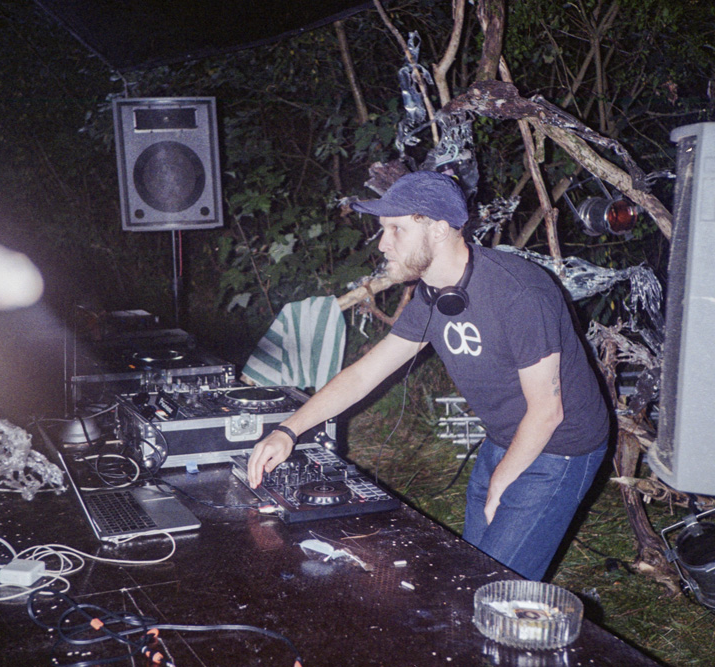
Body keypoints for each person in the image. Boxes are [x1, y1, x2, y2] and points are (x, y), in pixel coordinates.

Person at [247, 170, 609, 581]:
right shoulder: (434, 294)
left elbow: (547, 411)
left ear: (438, 229)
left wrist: (500, 483)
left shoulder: (519, 294)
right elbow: (364, 375)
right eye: (383, 229)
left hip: (562, 446)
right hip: (505, 438)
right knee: (472, 572)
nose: (382, 243)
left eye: (396, 229)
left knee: (497, 587)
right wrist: (289, 430)